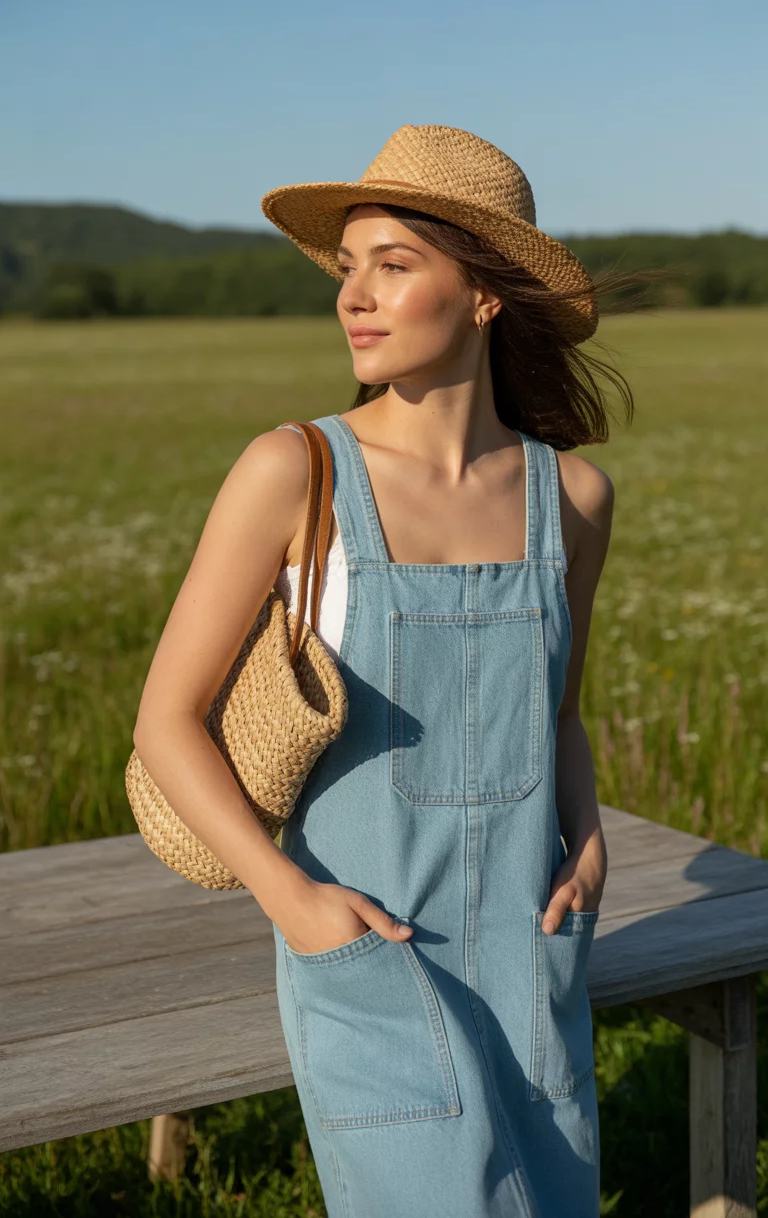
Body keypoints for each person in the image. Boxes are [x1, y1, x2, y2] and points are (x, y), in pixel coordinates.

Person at [134, 124, 636, 1217]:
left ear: (487, 295)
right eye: (349, 268)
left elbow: (558, 710)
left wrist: (590, 849)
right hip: (361, 944)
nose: (355, 296)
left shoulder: (574, 499)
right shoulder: (294, 470)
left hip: (530, 941)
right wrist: (293, 899)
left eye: (393, 266)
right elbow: (165, 721)